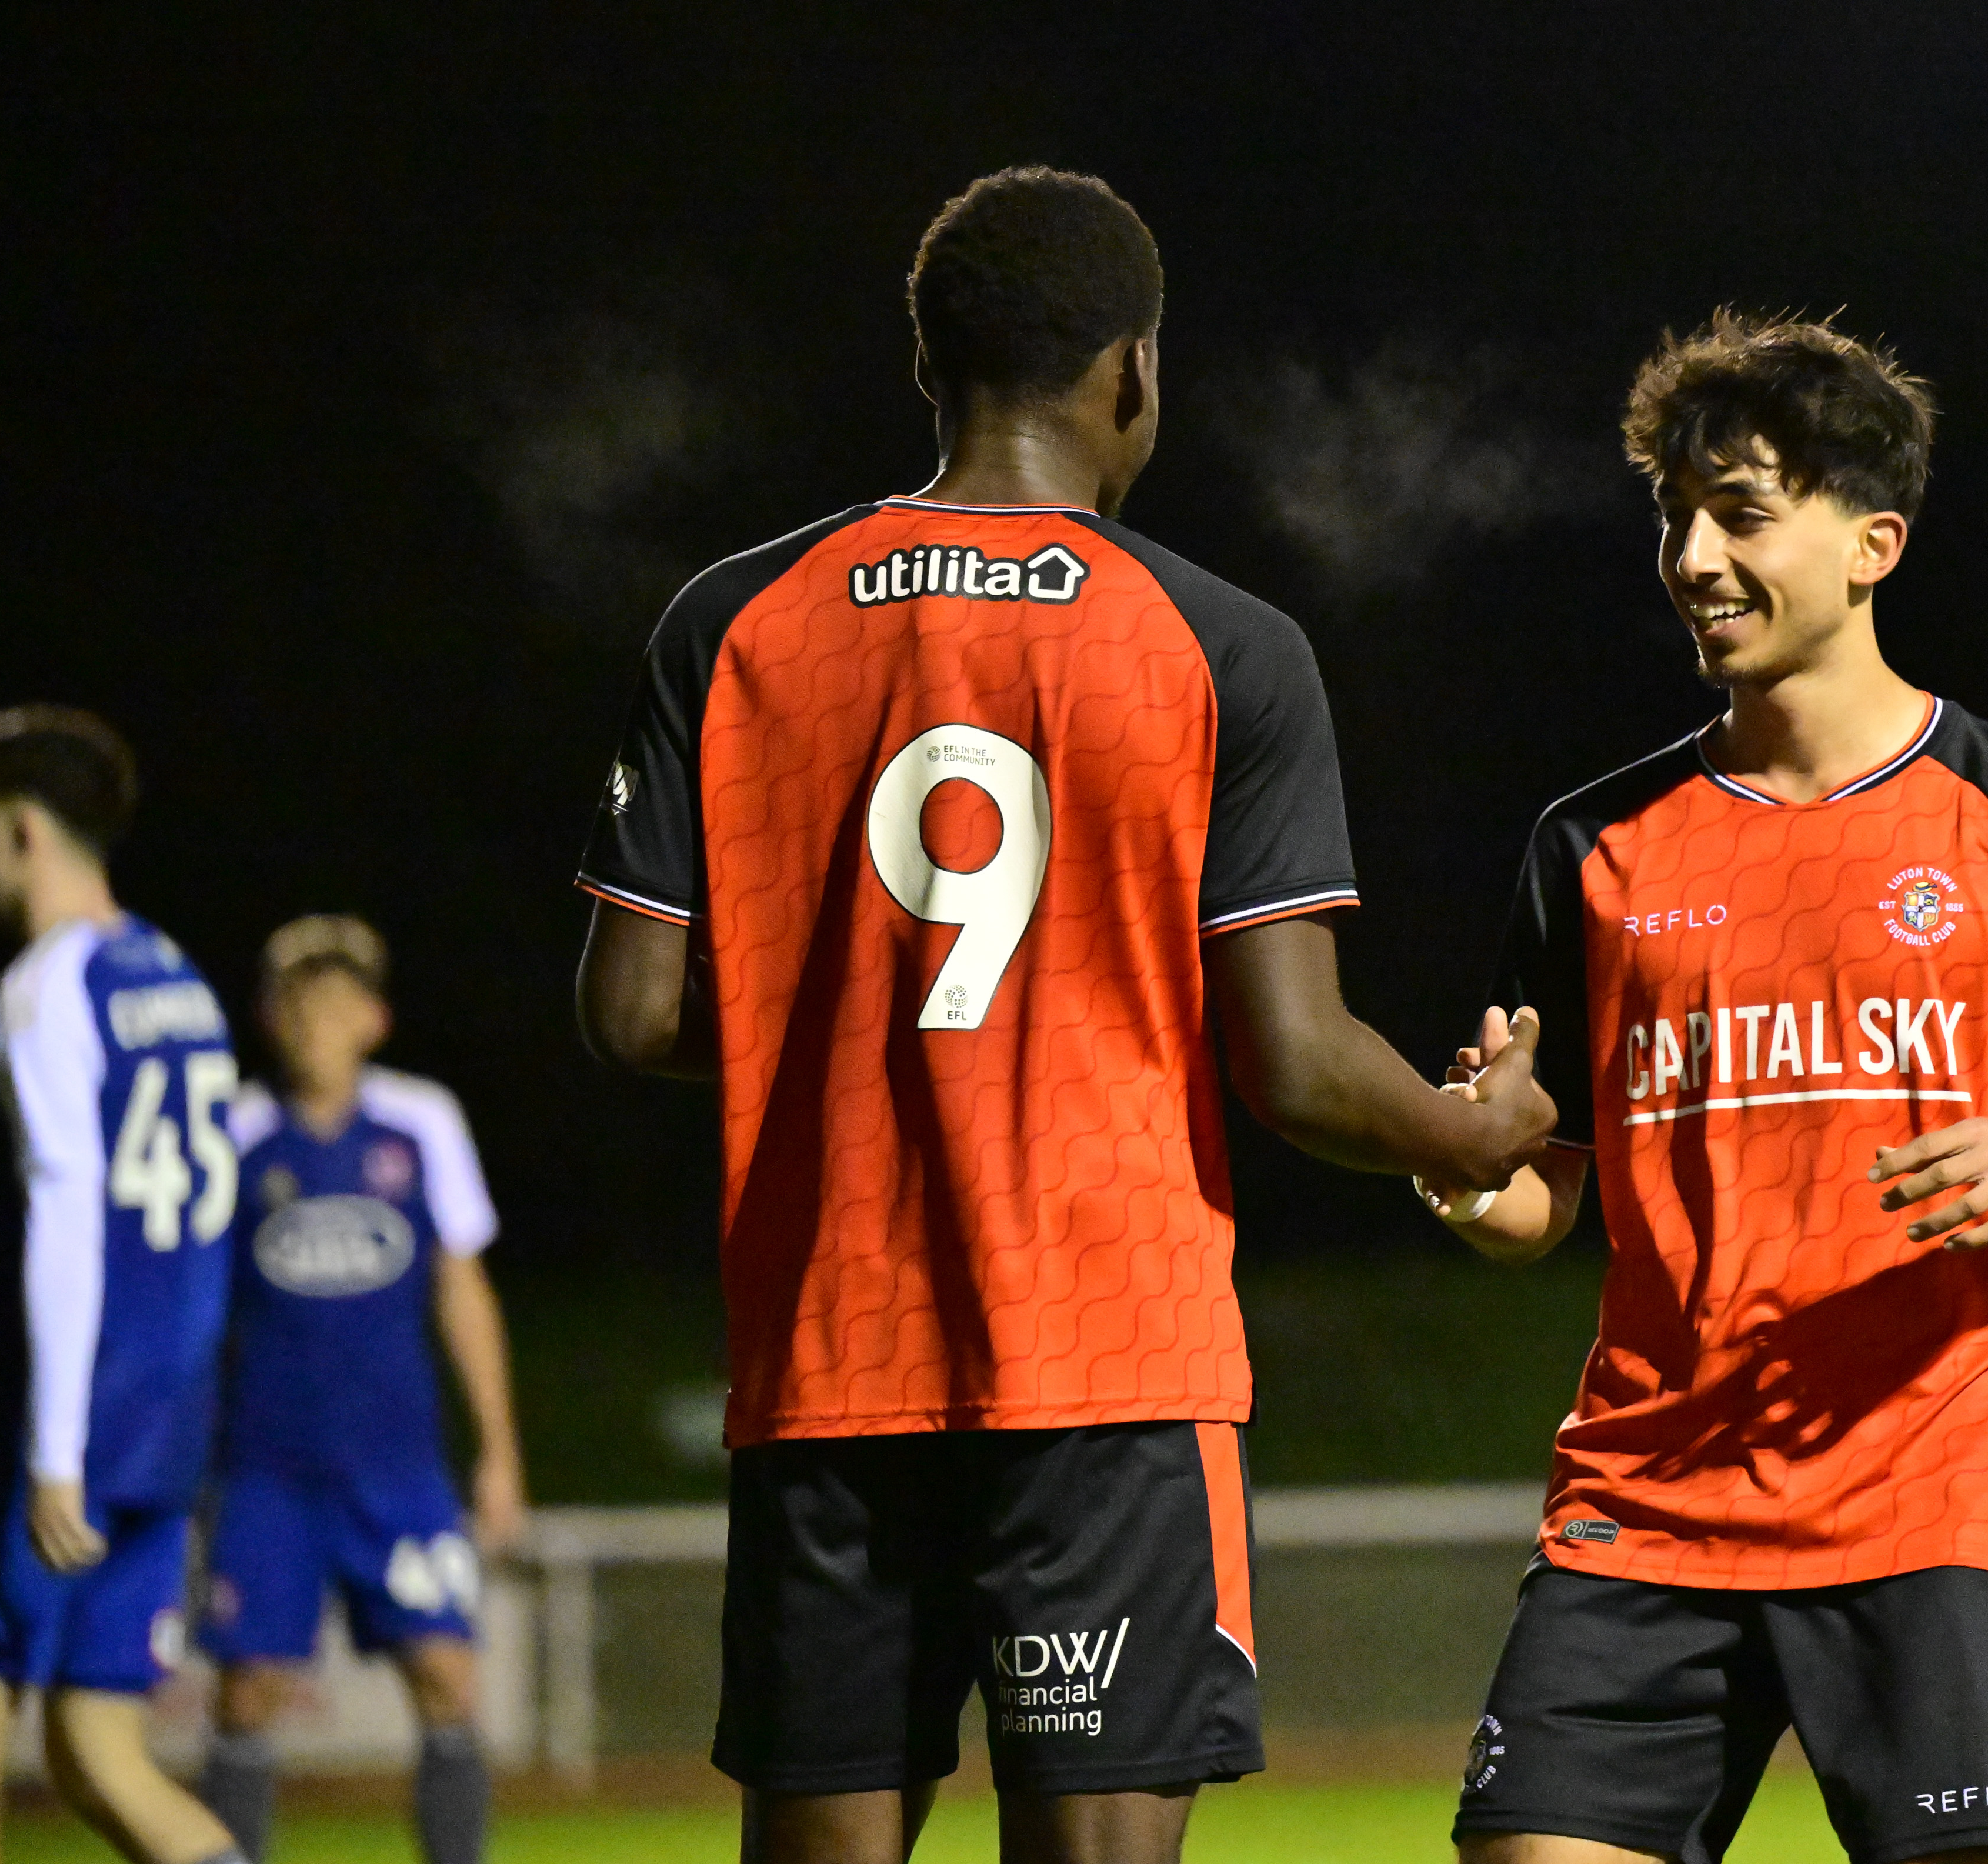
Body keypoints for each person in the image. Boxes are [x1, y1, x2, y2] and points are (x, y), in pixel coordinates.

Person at [570, 166, 1555, 1864]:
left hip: (827, 1364)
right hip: (1105, 1370)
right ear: (1131, 375)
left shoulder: (729, 620)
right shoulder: (1216, 643)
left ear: (927, 368)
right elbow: (1297, 1061)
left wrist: (861, 1025)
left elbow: (631, 1007)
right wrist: (1478, 1128)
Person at [1424, 313, 1988, 1864]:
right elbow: (1549, 1194)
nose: (1692, 554)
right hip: (1649, 1498)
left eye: (1741, 513)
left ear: (1871, 542)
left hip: (1934, 1499)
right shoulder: (1592, 846)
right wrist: (1468, 1171)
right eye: (1674, 513)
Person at [0, 706, 248, 1864]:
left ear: (23, 829)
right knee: (95, 1748)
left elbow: (69, 1217)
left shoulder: (42, 989)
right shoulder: (177, 979)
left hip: (66, 1420)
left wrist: (54, 1448)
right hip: (165, 1423)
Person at [194, 915, 523, 1864]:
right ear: (267, 1016)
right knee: (247, 1688)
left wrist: (499, 1451)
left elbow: (463, 1286)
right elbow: (196, 1309)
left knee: (448, 1674)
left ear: (375, 1018)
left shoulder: (422, 1123)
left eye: (339, 999)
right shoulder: (234, 1134)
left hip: (397, 1463)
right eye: (299, 999)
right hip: (267, 1466)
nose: (318, 1018)